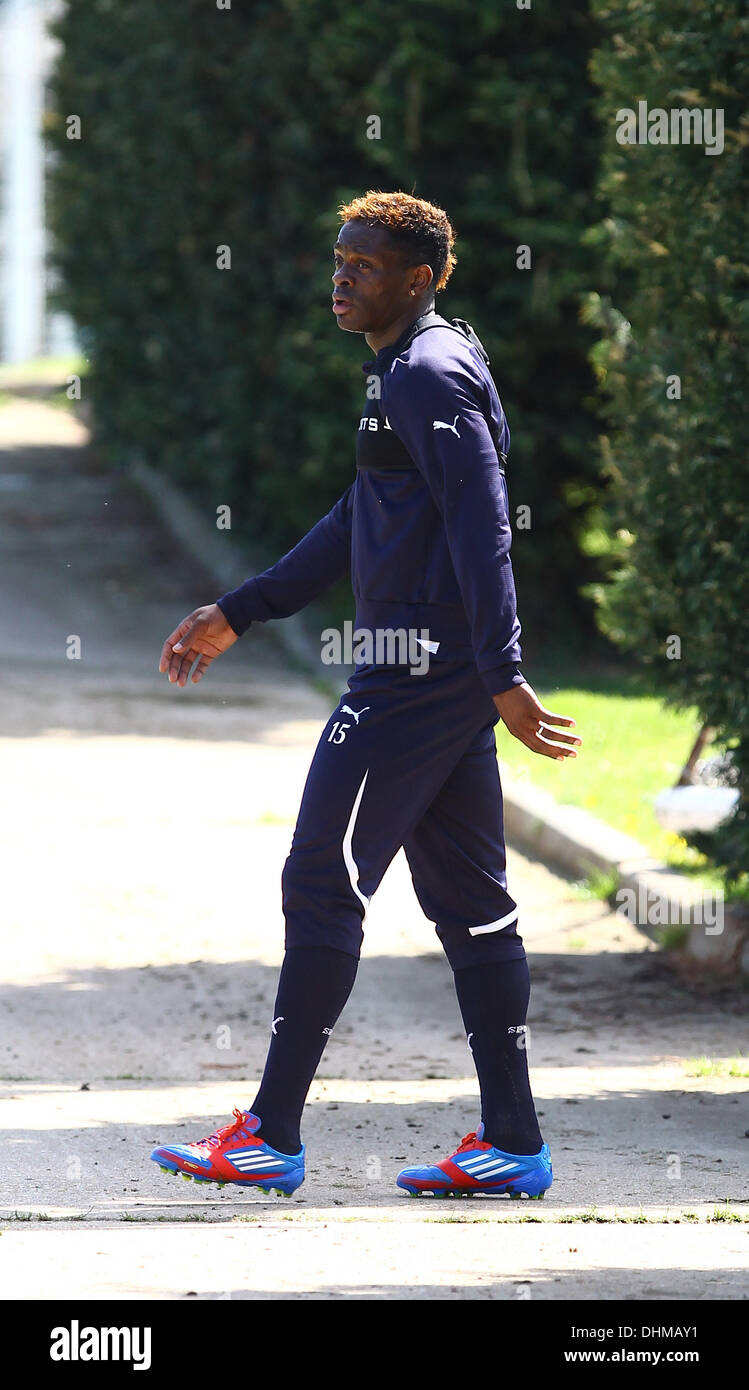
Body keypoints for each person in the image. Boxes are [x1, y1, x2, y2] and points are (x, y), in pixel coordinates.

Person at [151, 190, 581, 1199]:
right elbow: (360, 515)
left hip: (414, 675)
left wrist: (502, 672)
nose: (341, 275)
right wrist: (241, 608)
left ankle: (269, 1132)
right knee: (473, 908)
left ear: (419, 278)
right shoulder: (404, 370)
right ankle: (512, 1142)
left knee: (319, 877)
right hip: (433, 675)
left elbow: (482, 526)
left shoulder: (428, 374)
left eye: (364, 263)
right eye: (338, 258)